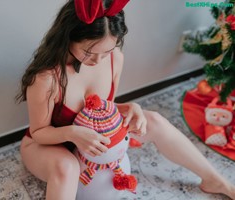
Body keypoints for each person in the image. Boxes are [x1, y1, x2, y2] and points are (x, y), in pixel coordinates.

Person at [16, 0, 235, 199]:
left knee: (154, 120)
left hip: (94, 138)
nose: (98, 60)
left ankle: (214, 180)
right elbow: (38, 133)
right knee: (67, 167)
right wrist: (72, 133)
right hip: (48, 144)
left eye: (107, 51)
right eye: (88, 52)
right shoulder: (46, 79)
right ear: (68, 37)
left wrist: (131, 107)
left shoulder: (114, 59)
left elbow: (105, 108)